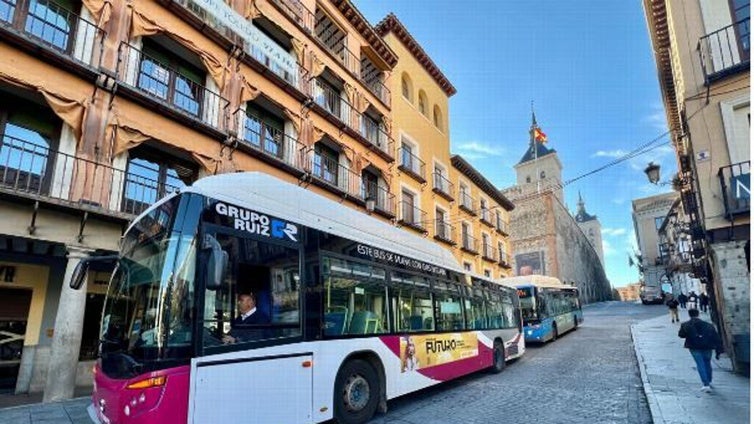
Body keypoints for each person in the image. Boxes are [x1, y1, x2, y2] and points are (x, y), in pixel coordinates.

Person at [678, 308, 724, 392]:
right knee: (707, 363)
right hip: (707, 346)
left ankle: (705, 384)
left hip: (694, 347)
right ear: (698, 314)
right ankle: (709, 380)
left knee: (700, 364)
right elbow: (715, 337)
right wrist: (719, 349)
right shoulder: (708, 325)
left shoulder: (686, 324)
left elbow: (681, 335)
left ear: (689, 315)